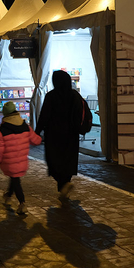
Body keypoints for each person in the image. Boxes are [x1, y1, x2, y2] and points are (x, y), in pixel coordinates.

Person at [35, 70, 89, 200]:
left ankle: (63, 185)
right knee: (68, 160)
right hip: (71, 135)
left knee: (54, 161)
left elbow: (44, 117)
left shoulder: (51, 96)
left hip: (54, 135)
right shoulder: (74, 95)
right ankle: (65, 184)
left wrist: (36, 133)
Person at [0, 101, 42, 215]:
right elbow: (36, 140)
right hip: (22, 161)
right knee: (14, 178)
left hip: (9, 162)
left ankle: (22, 203)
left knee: (15, 180)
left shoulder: (0, 131)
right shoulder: (25, 126)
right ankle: (8, 196)